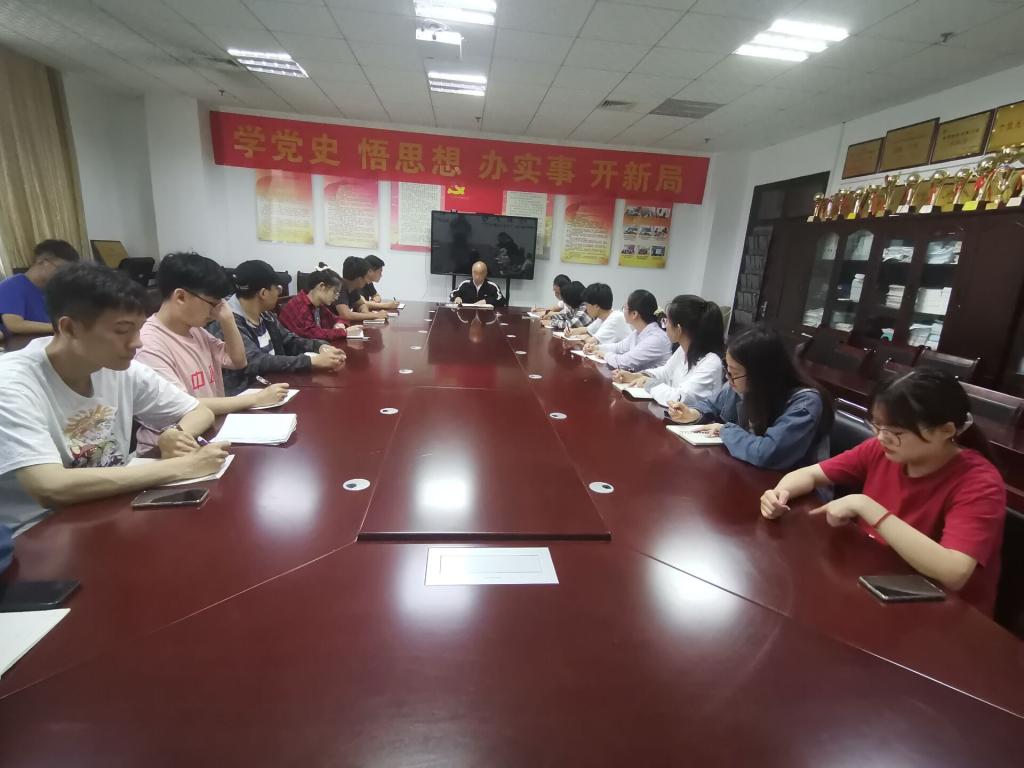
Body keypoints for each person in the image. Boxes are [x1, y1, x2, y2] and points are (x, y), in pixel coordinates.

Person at [0, 263, 228, 533]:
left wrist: (176, 435)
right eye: (122, 330)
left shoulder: (117, 367)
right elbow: (50, 486)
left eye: (138, 329)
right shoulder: (12, 383)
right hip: (37, 532)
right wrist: (183, 466)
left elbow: (198, 411)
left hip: (113, 509)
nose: (137, 342)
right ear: (69, 328)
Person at [760, 369, 1006, 615]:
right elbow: (810, 475)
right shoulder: (881, 449)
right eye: (877, 426)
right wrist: (780, 494)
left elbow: (954, 572)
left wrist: (866, 507)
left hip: (940, 612)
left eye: (896, 433)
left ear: (946, 431)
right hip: (875, 580)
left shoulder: (979, 482)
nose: (882, 438)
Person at [134, 252, 289, 450]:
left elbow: (238, 361)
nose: (217, 310)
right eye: (213, 303)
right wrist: (255, 399)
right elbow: (187, 405)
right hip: (168, 450)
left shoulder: (195, 330)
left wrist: (228, 319)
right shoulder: (148, 344)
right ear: (180, 297)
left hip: (210, 432)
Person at [668, 326, 833, 471]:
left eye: (734, 372)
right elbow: (711, 404)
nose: (729, 378)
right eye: (728, 369)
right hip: (752, 474)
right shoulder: (740, 385)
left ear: (760, 374)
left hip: (796, 489)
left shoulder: (805, 403)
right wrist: (692, 413)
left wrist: (726, 430)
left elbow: (768, 453)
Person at [208, 260, 345, 396]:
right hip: (247, 396)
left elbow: (289, 340)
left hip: (276, 387)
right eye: (277, 288)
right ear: (263, 293)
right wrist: (311, 361)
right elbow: (256, 361)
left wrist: (319, 346)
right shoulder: (226, 322)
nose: (280, 292)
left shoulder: (265, 315)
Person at [613, 295, 725, 407]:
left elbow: (680, 398)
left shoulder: (711, 363)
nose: (664, 325)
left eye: (666, 321)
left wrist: (649, 383)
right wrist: (638, 376)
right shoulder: (683, 349)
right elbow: (665, 372)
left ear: (678, 329)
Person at [0, 239, 80, 337]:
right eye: (61, 269)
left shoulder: (53, 290)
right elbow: (15, 325)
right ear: (41, 261)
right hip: (21, 344)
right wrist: (61, 327)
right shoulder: (11, 286)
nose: (64, 275)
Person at [585, 289, 670, 371]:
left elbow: (623, 362)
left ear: (634, 314)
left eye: (625, 308)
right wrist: (597, 347)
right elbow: (619, 347)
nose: (623, 311)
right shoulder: (638, 332)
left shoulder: (655, 339)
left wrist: (605, 355)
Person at [279, 267, 358, 342]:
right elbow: (312, 335)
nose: (336, 298)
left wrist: (339, 323)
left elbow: (336, 318)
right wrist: (344, 332)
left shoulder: (318, 305)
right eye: (335, 292)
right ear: (321, 286)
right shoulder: (300, 306)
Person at [334, 257, 388, 323]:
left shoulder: (353, 288)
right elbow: (346, 315)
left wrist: (366, 313)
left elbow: (361, 304)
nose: (367, 282)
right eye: (366, 277)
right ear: (359, 279)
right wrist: (375, 315)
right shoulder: (339, 287)